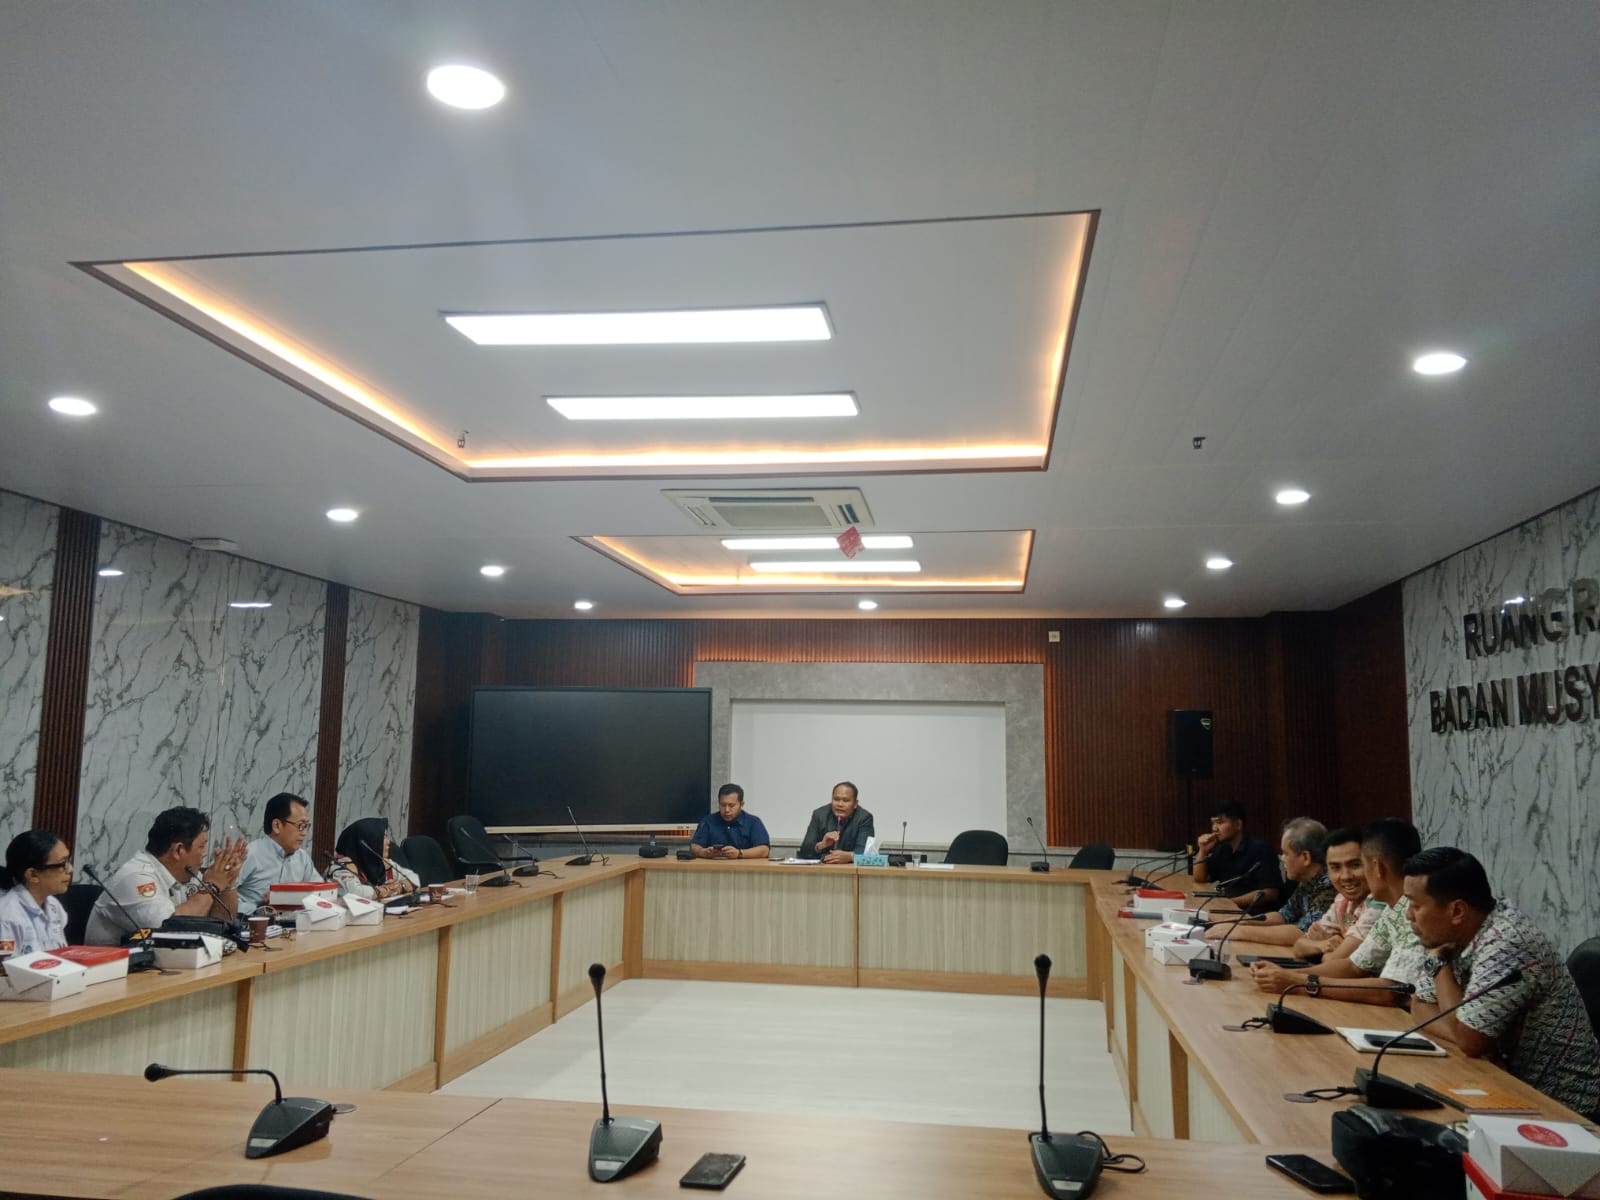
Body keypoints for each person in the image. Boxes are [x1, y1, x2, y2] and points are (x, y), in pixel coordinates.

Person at [1402, 847, 1600, 1118]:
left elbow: (1470, 1041)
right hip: (1503, 1085)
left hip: (1562, 1107)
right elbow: (1421, 1007)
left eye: (1415, 905)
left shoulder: (1507, 941)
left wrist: (1439, 965)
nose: (1408, 915)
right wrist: (1463, 1033)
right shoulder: (1452, 937)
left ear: (1457, 910)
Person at [1249, 817, 1424, 1005]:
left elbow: (1390, 991)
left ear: (1377, 867)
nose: (1347, 876)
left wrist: (1299, 982)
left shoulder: (1412, 910)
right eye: (1335, 867)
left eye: (1359, 865)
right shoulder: (1392, 908)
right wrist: (1284, 975)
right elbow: (1353, 966)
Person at [84, 807, 247, 945]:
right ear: (178, 850)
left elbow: (221, 923)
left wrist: (228, 880)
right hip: (113, 969)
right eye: (201, 847)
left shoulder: (188, 874)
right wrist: (212, 886)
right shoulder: (135, 878)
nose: (205, 853)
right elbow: (171, 930)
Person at [1209, 818, 1335, 946]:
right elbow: (1284, 915)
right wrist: (1243, 921)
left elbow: (1301, 933)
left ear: (1306, 857)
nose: (1282, 859)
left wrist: (1239, 931)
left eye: (1285, 853)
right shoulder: (1307, 881)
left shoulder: (1330, 887)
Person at [1292, 826, 1379, 960]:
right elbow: (1299, 946)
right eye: (1335, 868)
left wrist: (1333, 949)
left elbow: (1333, 960)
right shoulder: (1342, 901)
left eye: (1355, 865)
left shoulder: (1379, 902)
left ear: (1374, 864)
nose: (1345, 876)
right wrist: (1324, 945)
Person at [236, 792, 321, 911]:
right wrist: (261, 910)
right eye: (300, 825)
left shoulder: (302, 858)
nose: (304, 833)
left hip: (294, 921)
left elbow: (320, 894)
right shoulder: (250, 854)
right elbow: (222, 901)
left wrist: (288, 898)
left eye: (306, 826)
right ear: (277, 826)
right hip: (250, 921)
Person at [1193, 801, 1283, 905]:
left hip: (1253, 911)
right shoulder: (1223, 849)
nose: (1214, 828)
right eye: (1213, 823)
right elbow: (1201, 878)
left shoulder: (1261, 849)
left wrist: (1229, 903)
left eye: (1220, 822)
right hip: (1228, 908)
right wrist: (1203, 851)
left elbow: (1271, 893)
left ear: (1238, 824)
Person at [0, 830, 72, 954]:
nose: (70, 869)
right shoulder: (7, 917)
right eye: (62, 864)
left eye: (68, 861)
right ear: (33, 875)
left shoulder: (54, 905)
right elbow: (3, 965)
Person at [329, 818, 419, 900]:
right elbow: (354, 893)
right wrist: (386, 890)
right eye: (383, 838)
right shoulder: (342, 867)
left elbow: (415, 879)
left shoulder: (381, 864)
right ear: (367, 844)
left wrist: (400, 886)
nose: (388, 842)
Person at [799, 781, 875, 864]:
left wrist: (850, 856)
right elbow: (804, 851)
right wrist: (821, 845)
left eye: (845, 800)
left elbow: (865, 852)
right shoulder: (819, 815)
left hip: (850, 868)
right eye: (836, 799)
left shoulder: (864, 818)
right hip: (822, 867)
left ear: (855, 804)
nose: (840, 804)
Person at [690, 784, 771, 860]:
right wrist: (703, 852)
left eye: (731, 805)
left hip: (744, 868)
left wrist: (739, 853)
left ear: (741, 804)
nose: (726, 810)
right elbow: (694, 847)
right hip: (713, 867)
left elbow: (764, 850)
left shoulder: (753, 822)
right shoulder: (708, 821)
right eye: (723, 805)